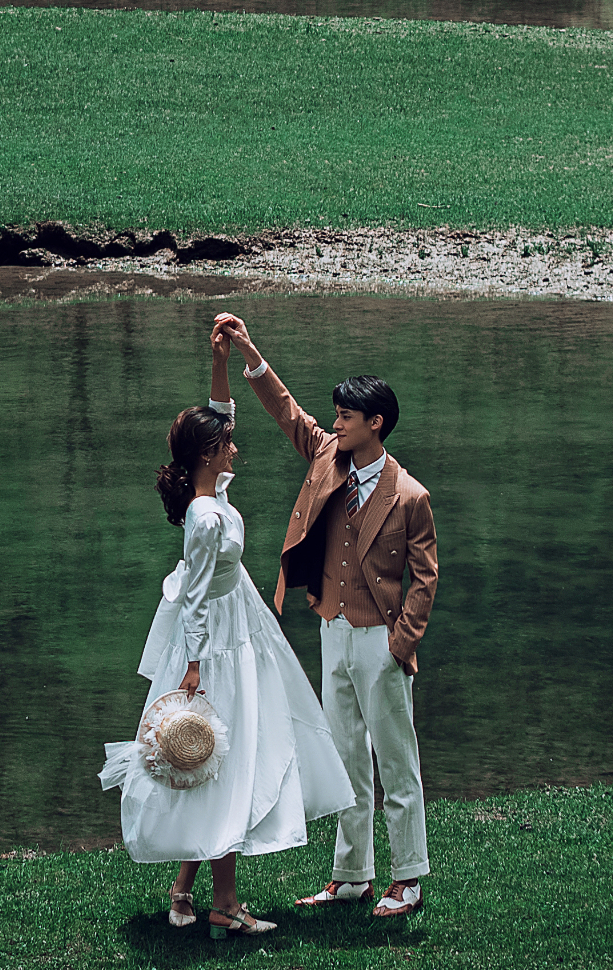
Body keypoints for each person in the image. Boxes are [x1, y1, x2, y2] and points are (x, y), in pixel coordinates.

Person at [100, 321, 354, 938]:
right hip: (219, 644)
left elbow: (221, 417)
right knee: (229, 762)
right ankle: (225, 903)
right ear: (210, 456)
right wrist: (193, 665)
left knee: (212, 763)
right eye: (227, 444)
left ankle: (185, 893)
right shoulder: (206, 517)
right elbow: (193, 600)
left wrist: (224, 358)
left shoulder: (207, 492)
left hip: (237, 627)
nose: (236, 447)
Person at [212, 311, 436, 920]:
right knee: (344, 758)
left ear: (376, 424)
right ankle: (353, 876)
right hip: (331, 630)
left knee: (396, 761)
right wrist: (247, 350)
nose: (334, 423)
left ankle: (409, 876)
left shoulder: (410, 495)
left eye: (346, 416)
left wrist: (401, 643)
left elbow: (425, 577)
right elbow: (284, 409)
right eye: (335, 416)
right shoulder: (327, 455)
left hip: (380, 640)